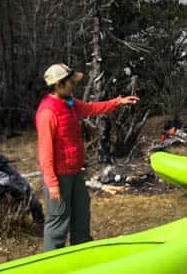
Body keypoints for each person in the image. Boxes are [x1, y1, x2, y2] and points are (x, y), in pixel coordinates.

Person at [35, 63, 139, 251]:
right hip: (59, 176)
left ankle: (81, 253)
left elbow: (92, 108)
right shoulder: (47, 112)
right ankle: (51, 263)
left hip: (74, 172)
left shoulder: (71, 104)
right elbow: (44, 151)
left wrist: (118, 102)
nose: (73, 85)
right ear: (59, 85)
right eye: (70, 82)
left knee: (81, 214)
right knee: (58, 221)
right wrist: (51, 183)